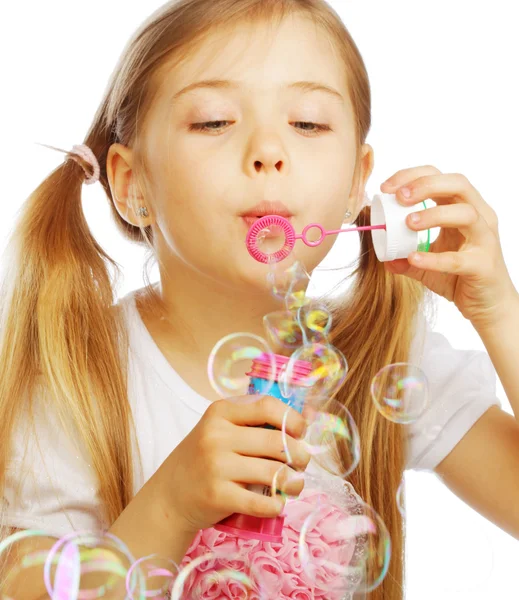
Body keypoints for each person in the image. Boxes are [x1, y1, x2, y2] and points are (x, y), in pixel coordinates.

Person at [1, 0, 519, 598]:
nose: (270, 151)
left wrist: (499, 310)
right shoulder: (74, 384)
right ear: (132, 184)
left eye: (309, 123)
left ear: (358, 181)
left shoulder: (386, 356)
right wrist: (169, 507)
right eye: (214, 121)